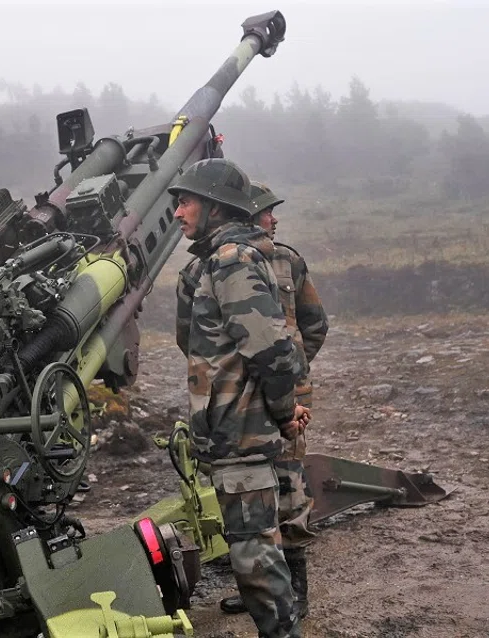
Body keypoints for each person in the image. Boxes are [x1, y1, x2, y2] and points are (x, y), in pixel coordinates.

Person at [169, 159, 306, 638]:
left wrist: (285, 415)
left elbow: (272, 352)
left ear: (214, 205)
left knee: (255, 559)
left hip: (242, 432)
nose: (177, 212)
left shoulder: (231, 260)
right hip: (233, 430)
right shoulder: (220, 260)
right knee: (254, 551)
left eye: (185, 201)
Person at [188, 182, 329, 619]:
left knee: (289, 490)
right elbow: (191, 337)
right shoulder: (206, 266)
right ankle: (263, 596)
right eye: (267, 211)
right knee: (251, 499)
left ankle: (293, 594)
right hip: (240, 401)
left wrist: (292, 374)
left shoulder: (288, 261)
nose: (273, 218)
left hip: (286, 397)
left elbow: (314, 325)